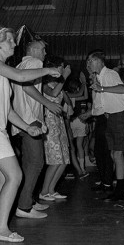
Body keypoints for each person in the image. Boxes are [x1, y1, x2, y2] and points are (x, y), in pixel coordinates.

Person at [0, 26, 60, 242]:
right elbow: (20, 75)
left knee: (4, 179)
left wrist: (27, 127)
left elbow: (7, 110)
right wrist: (47, 71)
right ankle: (1, 229)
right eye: (9, 40)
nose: (14, 44)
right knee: (15, 175)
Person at [11, 40, 63, 218]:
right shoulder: (35, 63)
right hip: (30, 119)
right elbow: (27, 87)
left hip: (21, 120)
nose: (45, 53)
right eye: (42, 49)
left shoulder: (20, 64)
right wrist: (48, 103)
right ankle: (24, 207)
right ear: (32, 50)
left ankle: (28, 201)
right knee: (36, 163)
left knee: (28, 164)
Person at [80, 50, 124, 201]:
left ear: (99, 61)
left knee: (117, 155)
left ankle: (121, 190)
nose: (88, 64)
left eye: (90, 61)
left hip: (120, 117)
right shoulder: (100, 77)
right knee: (113, 155)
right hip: (112, 117)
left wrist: (102, 89)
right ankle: (120, 188)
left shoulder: (109, 74)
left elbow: (123, 89)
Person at [39, 56, 72, 200]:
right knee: (55, 159)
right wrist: (64, 77)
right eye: (61, 67)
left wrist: (62, 83)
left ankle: (51, 190)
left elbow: (67, 101)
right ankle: (44, 191)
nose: (63, 69)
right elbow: (53, 94)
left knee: (64, 159)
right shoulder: (43, 84)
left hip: (59, 123)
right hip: (50, 123)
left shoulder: (59, 84)